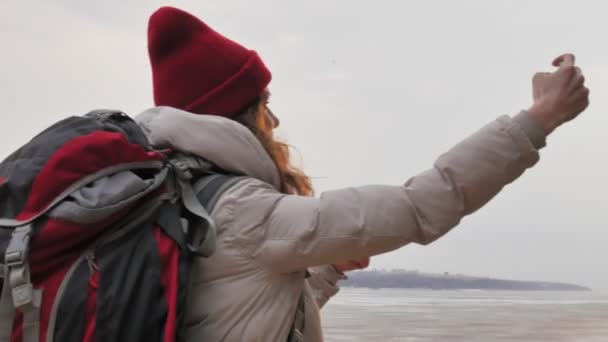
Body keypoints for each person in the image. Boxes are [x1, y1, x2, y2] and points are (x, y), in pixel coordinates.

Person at [136, 6, 589, 342]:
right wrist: (539, 119)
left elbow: (240, 318)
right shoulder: (246, 212)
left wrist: (325, 270)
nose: (273, 122)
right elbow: (420, 205)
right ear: (236, 115)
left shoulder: (173, 200)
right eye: (264, 105)